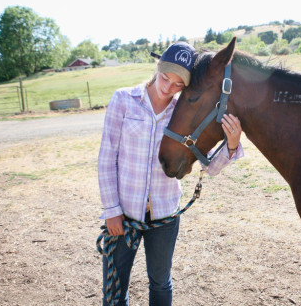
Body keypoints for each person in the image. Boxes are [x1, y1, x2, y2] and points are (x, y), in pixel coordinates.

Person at [98, 41, 243, 306]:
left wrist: (231, 146)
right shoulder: (123, 100)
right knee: (115, 286)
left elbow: (209, 167)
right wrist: (111, 210)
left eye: (178, 84)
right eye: (165, 77)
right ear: (157, 67)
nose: (168, 88)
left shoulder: (182, 112)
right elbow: (107, 158)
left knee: (160, 283)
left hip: (164, 217)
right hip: (124, 215)